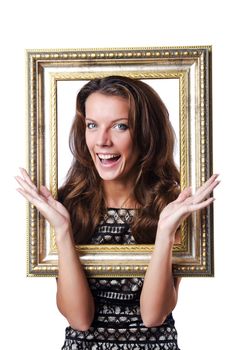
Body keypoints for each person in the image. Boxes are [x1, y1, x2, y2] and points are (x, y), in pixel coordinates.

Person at [16, 76, 219, 350]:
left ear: (147, 133)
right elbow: (80, 320)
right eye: (92, 125)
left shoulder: (172, 206)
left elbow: (153, 316)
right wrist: (63, 231)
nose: (102, 140)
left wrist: (165, 233)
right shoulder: (67, 204)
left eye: (120, 126)